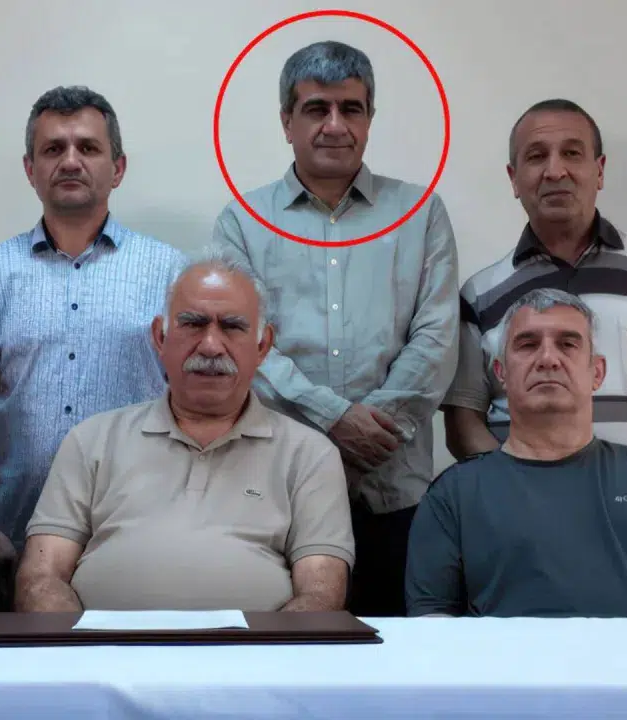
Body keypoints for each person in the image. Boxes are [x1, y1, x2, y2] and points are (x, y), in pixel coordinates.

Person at [211, 41, 459, 616]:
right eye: (316, 108)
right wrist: (333, 419)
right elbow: (242, 344)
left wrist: (375, 429)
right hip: (275, 489)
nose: (334, 125)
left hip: (394, 492)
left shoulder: (421, 213)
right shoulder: (243, 221)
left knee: (396, 654)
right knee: (279, 654)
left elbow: (437, 337)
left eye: (351, 108)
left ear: (369, 119)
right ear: (287, 122)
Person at [0, 86, 187, 610]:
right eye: (53, 149)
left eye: (88, 148)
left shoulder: (168, 271)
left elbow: (190, 402)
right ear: (30, 169)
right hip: (16, 531)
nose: (70, 161)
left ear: (118, 168)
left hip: (140, 531)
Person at [14, 251, 354, 612]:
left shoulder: (309, 455)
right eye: (193, 323)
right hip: (103, 647)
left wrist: (263, 649)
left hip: (255, 648)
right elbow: (40, 578)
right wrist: (82, 643)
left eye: (232, 326)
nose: (210, 346)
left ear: (262, 346)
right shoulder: (91, 441)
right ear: (160, 338)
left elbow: (321, 596)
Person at [406, 288, 627, 618]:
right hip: (520, 664)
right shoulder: (453, 495)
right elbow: (430, 620)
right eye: (527, 344)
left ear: (596, 373)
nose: (548, 359)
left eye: (568, 344)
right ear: (501, 374)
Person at [443, 98, 627, 470]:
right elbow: (463, 419)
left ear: (600, 170)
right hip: (520, 505)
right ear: (514, 178)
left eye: (572, 153)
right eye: (536, 157)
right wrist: (513, 490)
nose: (554, 170)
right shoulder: (479, 294)